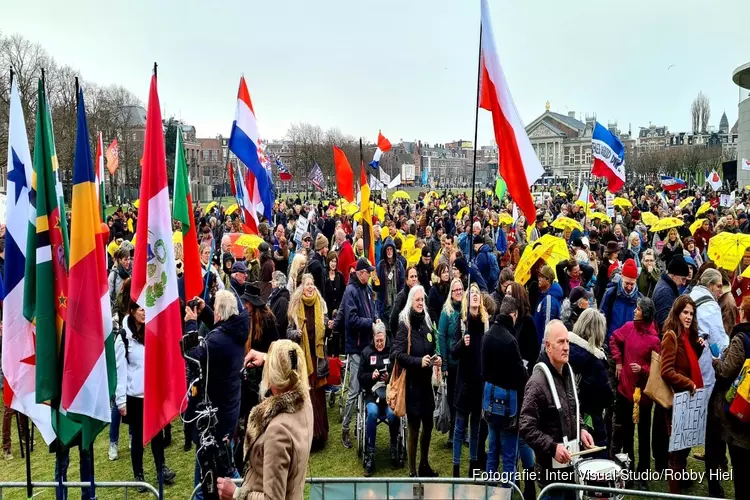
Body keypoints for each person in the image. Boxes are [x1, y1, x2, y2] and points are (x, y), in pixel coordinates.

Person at [216, 340, 313, 500]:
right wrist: (267, 358)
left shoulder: (278, 431)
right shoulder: (305, 401)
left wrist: (235, 494)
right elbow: (290, 369)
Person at [519, 320, 595, 500]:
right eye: (560, 342)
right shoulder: (537, 382)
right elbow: (525, 426)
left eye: (567, 341)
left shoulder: (567, 372)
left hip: (571, 469)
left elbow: (572, 410)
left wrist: (581, 429)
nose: (566, 347)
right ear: (548, 346)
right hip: (550, 477)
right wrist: (552, 447)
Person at [184, 290, 248, 496]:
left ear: (220, 314)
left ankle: (242, 493)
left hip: (214, 418)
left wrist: (191, 323)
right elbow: (222, 328)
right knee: (222, 463)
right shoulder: (237, 330)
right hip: (228, 410)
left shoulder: (219, 341)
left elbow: (193, 355)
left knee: (212, 467)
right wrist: (205, 313)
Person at [115, 301, 177, 488]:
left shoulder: (151, 331)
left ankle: (161, 468)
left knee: (157, 433)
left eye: (146, 308)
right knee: (138, 437)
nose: (144, 312)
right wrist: (121, 401)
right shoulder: (124, 338)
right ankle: (139, 475)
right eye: (141, 308)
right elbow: (120, 371)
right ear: (132, 311)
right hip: (135, 396)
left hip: (153, 394)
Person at [482, 296, 534, 499]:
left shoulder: (488, 336)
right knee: (510, 458)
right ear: (513, 315)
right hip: (508, 407)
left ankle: (489, 493)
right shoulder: (510, 340)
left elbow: (484, 371)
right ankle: (506, 495)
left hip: (489, 401)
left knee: (493, 452)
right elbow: (520, 376)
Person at [391, 285, 442, 477]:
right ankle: (412, 471)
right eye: (417, 300)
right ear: (411, 301)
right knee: (414, 428)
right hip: (411, 384)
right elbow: (398, 354)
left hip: (426, 384)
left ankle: (424, 465)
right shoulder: (405, 323)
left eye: (422, 300)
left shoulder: (427, 321)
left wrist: (435, 358)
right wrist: (418, 362)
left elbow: (430, 346)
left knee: (428, 425)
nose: (421, 303)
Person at [609, 297, 659, 488]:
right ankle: (627, 474)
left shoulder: (654, 340)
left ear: (645, 314)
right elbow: (613, 339)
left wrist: (644, 369)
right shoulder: (629, 327)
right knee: (627, 435)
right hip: (625, 392)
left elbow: (657, 368)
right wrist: (619, 361)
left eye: (638, 309)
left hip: (644, 397)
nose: (634, 311)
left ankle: (643, 475)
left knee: (644, 436)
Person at [688, 268, 729, 496]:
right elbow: (720, 342)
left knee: (686, 425)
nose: (720, 290)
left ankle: (678, 473)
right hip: (708, 374)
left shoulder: (688, 298)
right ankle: (714, 485)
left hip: (689, 374)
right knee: (712, 434)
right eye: (718, 285)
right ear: (710, 285)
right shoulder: (711, 306)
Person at [660, 295, 703, 494]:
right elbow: (666, 370)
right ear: (677, 312)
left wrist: (698, 350)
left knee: (684, 447)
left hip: (689, 399)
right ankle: (675, 489)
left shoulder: (686, 336)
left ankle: (681, 483)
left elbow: (686, 363)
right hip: (679, 400)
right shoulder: (671, 336)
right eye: (685, 312)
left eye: (691, 314)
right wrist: (688, 383)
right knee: (677, 451)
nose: (688, 317)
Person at [711, 296, 750, 499]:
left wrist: (716, 361)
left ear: (743, 313)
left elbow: (726, 370)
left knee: (741, 467)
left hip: (739, 409)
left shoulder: (741, 338)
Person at [286, 274, 329, 450]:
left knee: (318, 396)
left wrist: (328, 327)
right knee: (305, 397)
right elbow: (288, 332)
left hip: (317, 358)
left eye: (312, 284)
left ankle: (320, 436)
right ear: (301, 287)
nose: (310, 287)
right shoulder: (295, 308)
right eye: (307, 285)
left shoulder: (321, 305)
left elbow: (326, 334)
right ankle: (307, 437)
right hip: (303, 359)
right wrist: (296, 334)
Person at [339, 259, 378, 449]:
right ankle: (345, 429)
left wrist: (377, 320)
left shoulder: (367, 290)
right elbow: (351, 319)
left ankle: (359, 424)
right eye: (368, 272)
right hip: (356, 348)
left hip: (367, 346)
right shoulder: (351, 291)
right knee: (354, 390)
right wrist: (370, 323)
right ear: (360, 273)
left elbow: (374, 311)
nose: (370, 275)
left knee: (367, 386)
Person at [451, 282, 489, 477]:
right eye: (471, 293)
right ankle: (456, 468)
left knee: (475, 428)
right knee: (459, 427)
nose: (475, 295)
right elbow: (453, 353)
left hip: (479, 383)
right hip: (464, 383)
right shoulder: (462, 321)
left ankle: (473, 466)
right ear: (467, 299)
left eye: (477, 293)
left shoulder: (485, 323)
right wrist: (461, 342)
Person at [358, 323, 400, 476]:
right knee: (372, 413)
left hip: (389, 392)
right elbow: (360, 377)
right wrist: (371, 376)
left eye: (382, 340)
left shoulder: (393, 352)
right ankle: (370, 453)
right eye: (377, 341)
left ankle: (394, 447)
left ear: (385, 337)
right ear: (373, 338)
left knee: (392, 414)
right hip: (372, 392)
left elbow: (400, 375)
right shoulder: (366, 353)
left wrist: (389, 377)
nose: (380, 344)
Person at [568, 309, 613, 450]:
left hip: (569, 416)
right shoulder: (595, 362)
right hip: (591, 420)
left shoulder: (565, 350)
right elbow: (607, 398)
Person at [437, 277, 464, 448]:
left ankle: (464, 432)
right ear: (451, 293)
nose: (458, 292)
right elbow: (440, 336)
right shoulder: (446, 313)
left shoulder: (467, 310)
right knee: (454, 399)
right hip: (452, 364)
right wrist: (445, 363)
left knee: (464, 399)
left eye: (460, 289)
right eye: (455, 290)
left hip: (465, 364)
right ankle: (453, 434)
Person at [600, 258, 642, 342]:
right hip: (611, 344)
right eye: (627, 283)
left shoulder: (640, 300)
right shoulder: (610, 294)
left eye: (632, 284)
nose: (629, 287)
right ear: (622, 277)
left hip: (630, 347)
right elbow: (601, 321)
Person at [505, 282, 541, 374]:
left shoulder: (527, 322)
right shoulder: (506, 320)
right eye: (506, 293)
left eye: (509, 293)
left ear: (517, 296)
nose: (506, 296)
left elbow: (532, 353)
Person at [375, 238, 405, 335]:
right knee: (386, 334)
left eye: (391, 249)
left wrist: (400, 301)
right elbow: (376, 288)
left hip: (397, 306)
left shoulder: (399, 265)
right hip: (385, 307)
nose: (389, 251)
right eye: (387, 249)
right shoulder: (380, 266)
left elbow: (402, 283)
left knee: (397, 333)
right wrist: (374, 282)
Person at [533, 265, 563, 345]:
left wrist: (544, 350)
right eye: (539, 276)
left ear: (548, 280)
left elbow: (548, 328)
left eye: (542, 277)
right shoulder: (545, 296)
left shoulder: (549, 299)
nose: (539, 279)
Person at [323, 251, 345, 356]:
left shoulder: (340, 276)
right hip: (326, 311)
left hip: (337, 312)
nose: (333, 264)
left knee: (336, 338)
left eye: (335, 262)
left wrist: (338, 309)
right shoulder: (324, 275)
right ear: (328, 262)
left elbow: (342, 295)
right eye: (332, 261)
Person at [389, 265, 418, 339]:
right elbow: (393, 319)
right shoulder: (401, 296)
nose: (414, 279)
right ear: (406, 280)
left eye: (415, 276)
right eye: (411, 277)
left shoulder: (420, 294)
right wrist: (398, 337)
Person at [108, 247, 131, 313]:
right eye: (125, 260)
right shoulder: (113, 275)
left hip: (129, 310)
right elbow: (109, 295)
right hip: (117, 310)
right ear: (120, 260)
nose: (128, 262)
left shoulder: (132, 273)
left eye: (129, 259)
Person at [307, 234, 329, 299]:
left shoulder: (316, 261)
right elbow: (319, 288)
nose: (327, 249)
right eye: (326, 247)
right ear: (321, 247)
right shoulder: (317, 265)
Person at [269, 272, 290, 338]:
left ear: (277, 283)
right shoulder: (274, 296)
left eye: (273, 280)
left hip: (279, 338)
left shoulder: (282, 300)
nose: (271, 282)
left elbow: (279, 323)